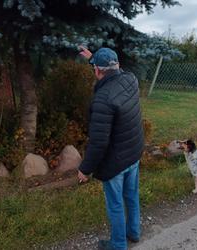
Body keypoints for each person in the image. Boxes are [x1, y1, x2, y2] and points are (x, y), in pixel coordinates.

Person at [77, 46, 144, 250]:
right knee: (131, 196)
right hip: (133, 153)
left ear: (98, 71)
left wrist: (85, 169)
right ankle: (134, 232)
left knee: (115, 205)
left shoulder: (103, 98)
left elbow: (98, 143)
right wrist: (94, 60)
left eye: (95, 68)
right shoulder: (130, 79)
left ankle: (118, 245)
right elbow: (113, 71)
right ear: (117, 66)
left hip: (115, 162)